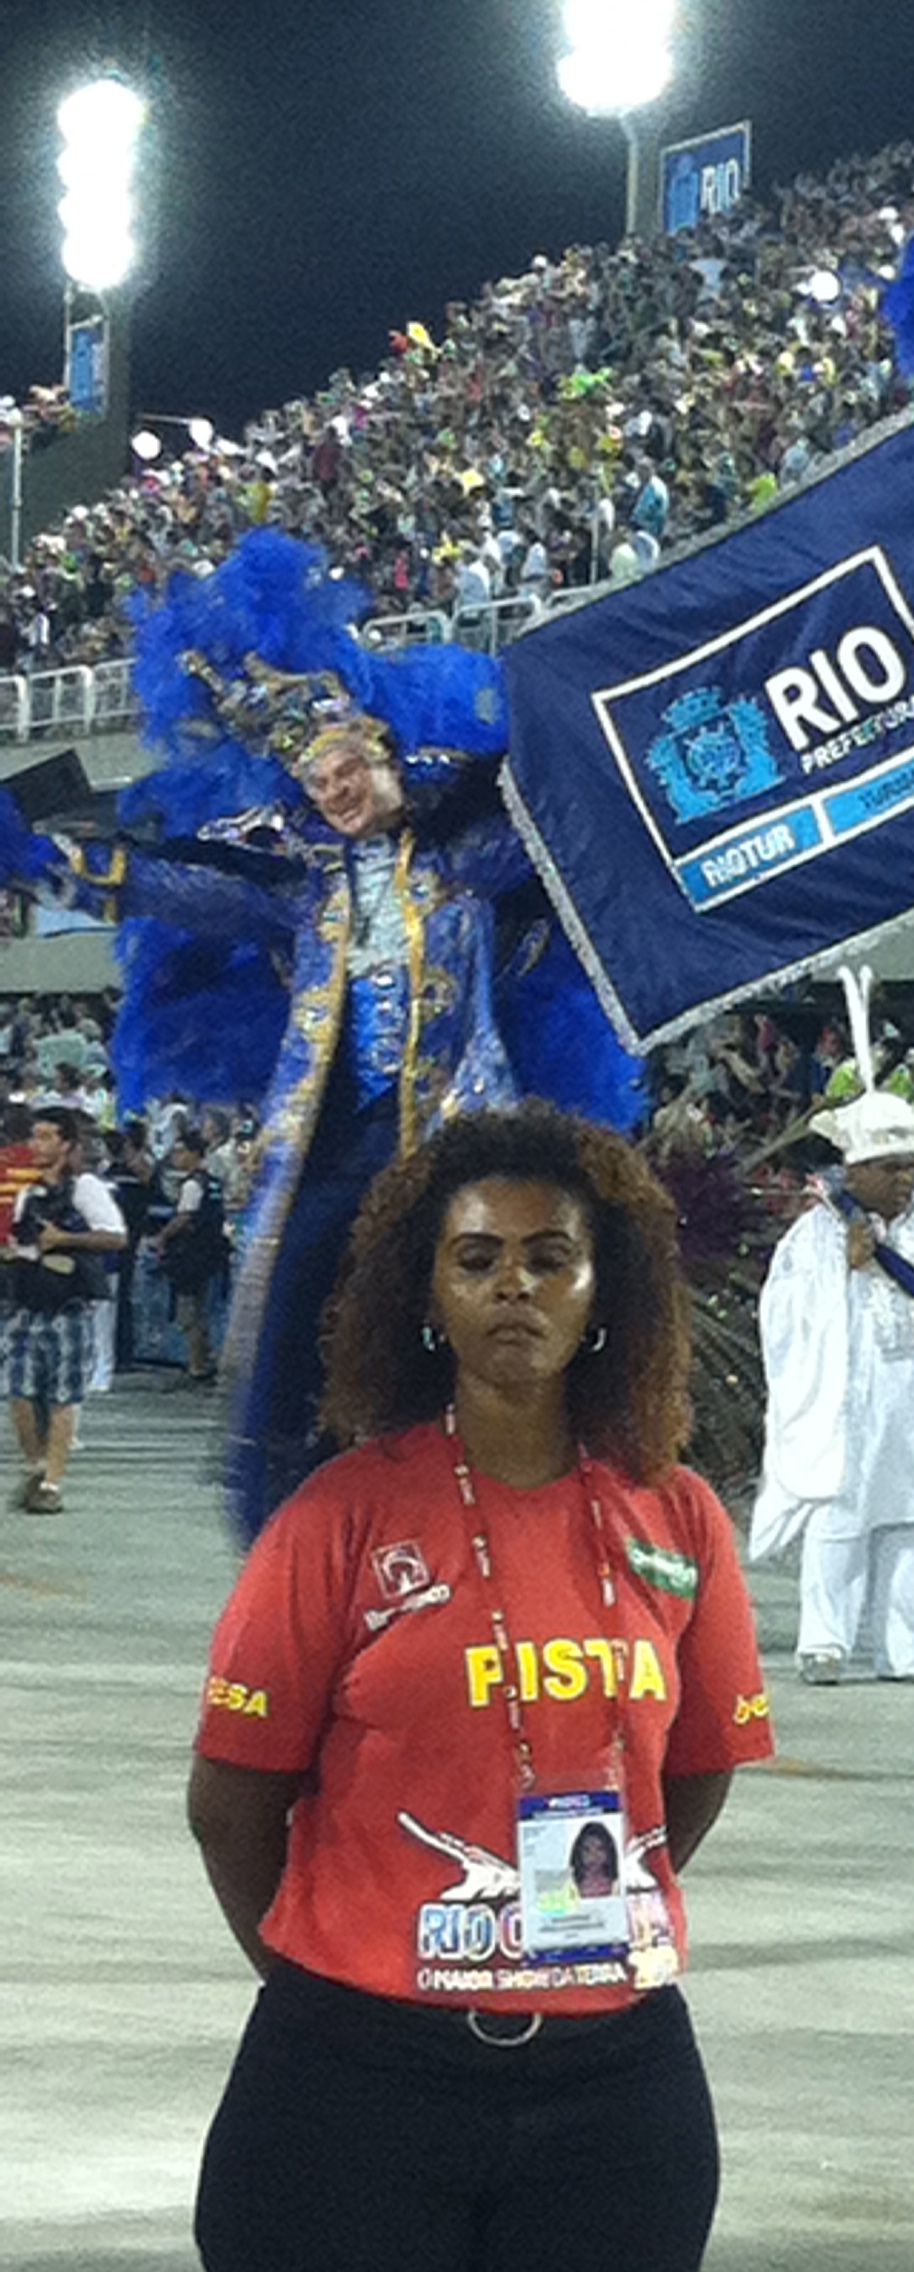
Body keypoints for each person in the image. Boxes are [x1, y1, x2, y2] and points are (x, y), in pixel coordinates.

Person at [188, 1102, 773, 2272]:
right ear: (427, 1294)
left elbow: (693, 1775)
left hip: (616, 2106)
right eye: (477, 1259)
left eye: (549, 1257)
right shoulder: (340, 1516)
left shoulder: (675, 1518)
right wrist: (354, 1969)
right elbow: (234, 1800)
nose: (515, 1284)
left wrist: (568, 1931)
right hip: (351, 2103)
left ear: (603, 1288)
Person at [0, 529, 636, 1535]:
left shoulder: (464, 865)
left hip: (462, 1140)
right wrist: (47, 863)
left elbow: (562, 811)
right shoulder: (302, 898)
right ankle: (296, 1522)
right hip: (334, 1144)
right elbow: (175, 888)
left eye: (345, 772)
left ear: (385, 759)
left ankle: (513, 1505)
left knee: (482, 1322)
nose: (333, 794)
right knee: (292, 1308)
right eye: (317, 784)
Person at [751, 1056, 914, 1690]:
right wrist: (842, 1267)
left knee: (910, 1519)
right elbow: (783, 1315)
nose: (904, 1179)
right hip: (851, 1401)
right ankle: (825, 1643)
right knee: (840, 1519)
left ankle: (906, 1651)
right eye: (890, 1168)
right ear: (855, 1170)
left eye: (909, 1167)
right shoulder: (816, 1234)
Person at [2, 1104, 128, 1514]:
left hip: (68, 1305)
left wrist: (65, 1240)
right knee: (17, 1391)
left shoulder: (84, 1188)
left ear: (67, 1144)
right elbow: (24, 1241)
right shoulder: (29, 1192)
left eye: (45, 1137)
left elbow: (115, 1237)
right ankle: (38, 1463)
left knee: (62, 1397)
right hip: (27, 1303)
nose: (35, 1144)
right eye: (34, 1136)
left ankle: (51, 1483)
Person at [152, 1127, 227, 1382]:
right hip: (210, 1253)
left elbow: (184, 1217)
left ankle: (196, 1365)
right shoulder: (213, 1183)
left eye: (181, 1152)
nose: (176, 1157)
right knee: (202, 1309)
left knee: (189, 1312)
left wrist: (162, 1237)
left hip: (190, 1255)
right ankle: (205, 1359)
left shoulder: (192, 1185)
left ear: (195, 1153)